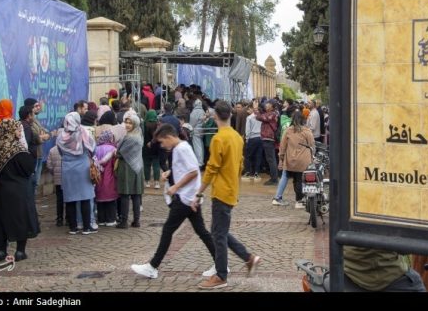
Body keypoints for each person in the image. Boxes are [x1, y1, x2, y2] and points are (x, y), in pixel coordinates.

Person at [131, 124, 217, 279]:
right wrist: (170, 173)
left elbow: (192, 172)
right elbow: (188, 169)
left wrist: (175, 187)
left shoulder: (182, 148)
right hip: (190, 198)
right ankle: (221, 263)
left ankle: (152, 266)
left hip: (185, 199)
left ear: (169, 137)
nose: (162, 146)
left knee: (168, 230)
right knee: (201, 231)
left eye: (163, 142)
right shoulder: (180, 148)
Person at [192, 100, 260, 289]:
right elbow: (240, 164)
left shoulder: (218, 139)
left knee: (218, 235)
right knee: (218, 231)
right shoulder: (237, 137)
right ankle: (249, 258)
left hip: (221, 192)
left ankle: (221, 275)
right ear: (230, 114)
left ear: (215, 117)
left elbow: (212, 168)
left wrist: (199, 192)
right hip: (231, 189)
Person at [0, 118, 40, 261]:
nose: (19, 132)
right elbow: (29, 168)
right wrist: (24, 146)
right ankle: (19, 251)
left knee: (0, 219)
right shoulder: (18, 150)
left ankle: (1, 251)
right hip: (19, 190)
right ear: (10, 131)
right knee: (20, 219)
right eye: (17, 129)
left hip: (0, 190)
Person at [272, 110, 314, 207]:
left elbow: (282, 147)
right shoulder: (307, 131)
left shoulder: (288, 131)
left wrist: (281, 159)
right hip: (304, 160)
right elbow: (312, 145)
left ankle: (277, 197)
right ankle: (299, 201)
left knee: (285, 176)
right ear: (303, 120)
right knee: (300, 179)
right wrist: (312, 156)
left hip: (290, 159)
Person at [342, 247, 426, 292]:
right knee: (416, 282)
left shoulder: (343, 214)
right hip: (386, 275)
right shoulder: (381, 215)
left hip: (350, 271)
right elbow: (406, 247)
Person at [115, 113, 144, 228]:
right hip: (138, 167)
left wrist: (116, 152)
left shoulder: (130, 137)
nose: (127, 125)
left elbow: (119, 153)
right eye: (126, 122)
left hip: (127, 168)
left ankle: (124, 222)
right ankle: (136, 221)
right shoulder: (139, 134)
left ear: (135, 124)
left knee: (125, 195)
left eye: (130, 123)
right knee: (136, 195)